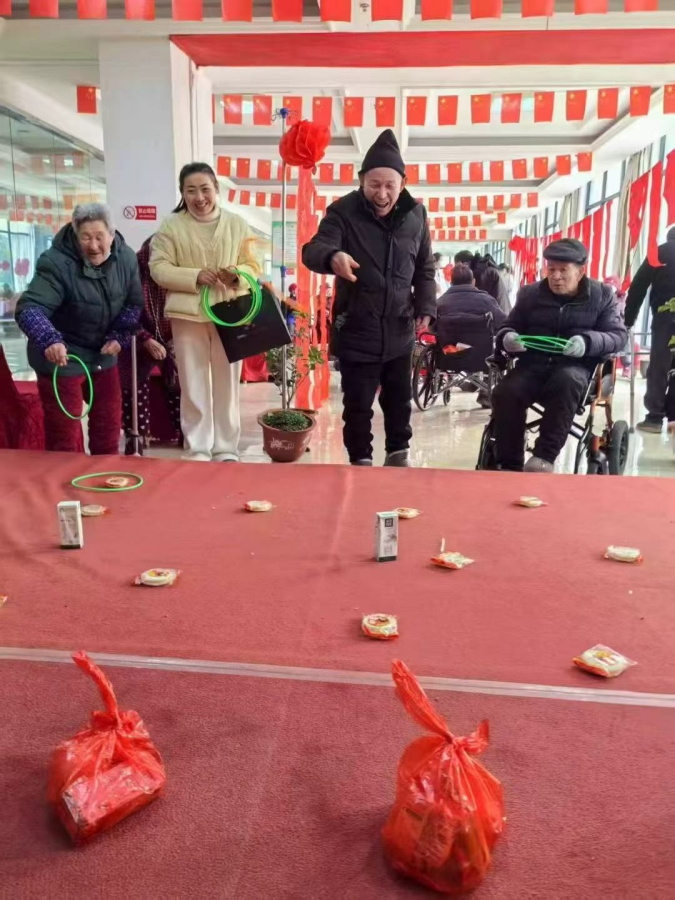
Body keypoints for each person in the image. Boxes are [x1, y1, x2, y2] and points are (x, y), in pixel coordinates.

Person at [302, 129, 436, 467]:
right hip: (357, 327)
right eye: (374, 184)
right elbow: (313, 249)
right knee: (358, 406)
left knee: (399, 401)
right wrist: (332, 255)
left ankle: (398, 455)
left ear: (403, 184)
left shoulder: (417, 216)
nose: (382, 193)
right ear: (361, 180)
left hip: (400, 329)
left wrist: (426, 306)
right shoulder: (342, 212)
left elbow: (425, 268)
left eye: (390, 185)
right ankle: (360, 461)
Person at [150, 162, 260, 462]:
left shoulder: (237, 224)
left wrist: (236, 275)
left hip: (229, 313)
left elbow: (253, 264)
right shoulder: (171, 226)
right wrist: (195, 276)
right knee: (193, 382)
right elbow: (158, 268)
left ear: (216, 189)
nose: (199, 197)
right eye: (191, 191)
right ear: (182, 193)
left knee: (228, 383)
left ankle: (226, 447)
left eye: (205, 189)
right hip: (188, 316)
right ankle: (197, 447)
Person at [15, 202, 143, 454]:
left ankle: (106, 473)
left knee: (108, 425)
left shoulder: (126, 257)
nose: (93, 246)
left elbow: (133, 304)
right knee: (64, 433)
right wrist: (49, 339)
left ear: (112, 234)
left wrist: (120, 334)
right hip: (63, 355)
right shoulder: (55, 262)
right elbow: (29, 308)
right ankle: (63, 478)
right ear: (75, 235)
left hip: (102, 354)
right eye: (85, 237)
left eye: (99, 237)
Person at [492, 238, 626, 473]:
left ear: (580, 271)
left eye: (563, 270)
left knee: (567, 380)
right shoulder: (530, 294)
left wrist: (587, 342)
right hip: (532, 366)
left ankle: (544, 457)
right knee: (505, 391)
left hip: (575, 368)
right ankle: (509, 463)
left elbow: (617, 336)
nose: (555, 276)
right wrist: (507, 337)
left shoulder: (602, 295)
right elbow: (508, 326)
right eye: (551, 269)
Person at [118, 235, 181, 455]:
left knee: (179, 383)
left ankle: (185, 433)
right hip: (137, 334)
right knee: (134, 385)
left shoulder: (176, 269)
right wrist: (145, 338)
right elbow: (124, 310)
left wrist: (176, 337)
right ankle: (136, 435)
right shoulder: (134, 268)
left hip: (171, 333)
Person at [624, 226, 675, 432]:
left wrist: (629, 319)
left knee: (659, 365)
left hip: (666, 315)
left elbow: (638, 286)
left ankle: (654, 418)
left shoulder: (660, 252)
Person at [437, 264, 507, 408]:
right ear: (474, 281)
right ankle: (485, 393)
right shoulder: (486, 300)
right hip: (481, 357)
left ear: (451, 282)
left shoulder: (441, 302)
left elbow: (432, 328)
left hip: (448, 356)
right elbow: (502, 323)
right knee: (495, 346)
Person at [455, 249, 510, 314]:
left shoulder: (482, 272)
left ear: (465, 264)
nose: (459, 270)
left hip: (499, 313)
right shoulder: (483, 268)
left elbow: (481, 298)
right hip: (500, 310)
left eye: (459, 267)